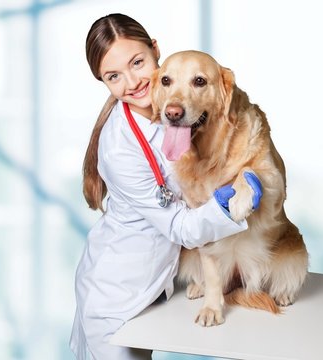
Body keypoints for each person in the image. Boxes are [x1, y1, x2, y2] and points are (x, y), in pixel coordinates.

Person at [69, 13, 263, 360]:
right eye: (114, 76)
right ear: (103, 81)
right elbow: (179, 226)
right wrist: (225, 204)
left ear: (155, 50)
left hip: (158, 288)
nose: (132, 82)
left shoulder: (179, 111)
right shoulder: (119, 148)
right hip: (117, 298)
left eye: (138, 62)